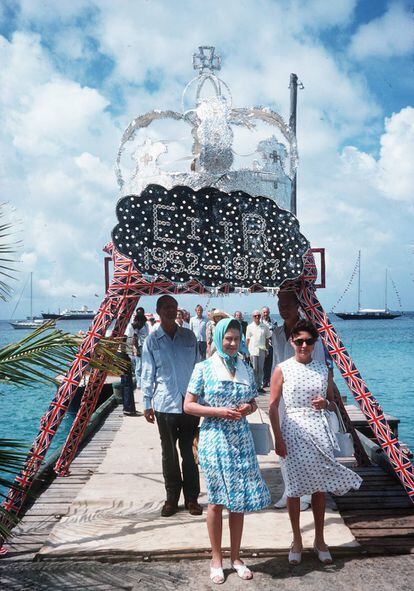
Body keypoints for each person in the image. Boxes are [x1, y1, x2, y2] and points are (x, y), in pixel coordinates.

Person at [184, 318, 271, 584]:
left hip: (241, 439)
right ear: (219, 338)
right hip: (215, 438)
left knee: (239, 500)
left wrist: (248, 409)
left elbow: (253, 402)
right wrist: (218, 411)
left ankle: (235, 557)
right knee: (216, 500)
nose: (233, 343)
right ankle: (216, 558)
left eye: (236, 338)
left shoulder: (245, 366)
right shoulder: (204, 367)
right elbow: (188, 405)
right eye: (228, 338)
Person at [269, 319, 362, 565]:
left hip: (319, 431)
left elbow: (333, 403)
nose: (303, 346)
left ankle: (320, 539)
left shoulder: (324, 369)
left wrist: (326, 404)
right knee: (293, 488)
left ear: (315, 343)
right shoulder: (282, 368)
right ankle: (297, 539)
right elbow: (273, 405)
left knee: (320, 487)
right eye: (299, 341)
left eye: (309, 341)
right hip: (291, 430)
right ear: (291, 341)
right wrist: (277, 437)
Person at [141, 295, 202, 517]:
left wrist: (201, 398)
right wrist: (146, 402)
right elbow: (147, 372)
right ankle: (171, 498)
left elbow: (198, 367)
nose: (170, 311)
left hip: (189, 404)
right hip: (164, 403)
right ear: (158, 311)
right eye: (166, 307)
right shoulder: (152, 340)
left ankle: (192, 498)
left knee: (189, 452)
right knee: (169, 454)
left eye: (173, 307)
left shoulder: (189, 336)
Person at [272, 290, 330, 511]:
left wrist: (322, 396)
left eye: (287, 304)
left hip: (306, 395)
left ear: (297, 305)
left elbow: (319, 363)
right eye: (280, 304)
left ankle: (306, 494)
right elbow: (275, 363)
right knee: (284, 446)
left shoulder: (308, 332)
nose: (283, 308)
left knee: (308, 446)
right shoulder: (277, 333)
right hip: (284, 391)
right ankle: (289, 491)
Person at [246, 310, 271, 392]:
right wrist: (246, 351)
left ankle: (259, 386)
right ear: (252, 317)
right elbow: (247, 340)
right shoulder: (249, 327)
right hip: (252, 350)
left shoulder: (265, 327)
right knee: (254, 369)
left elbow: (267, 339)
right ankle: (254, 386)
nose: (257, 317)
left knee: (261, 368)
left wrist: (267, 350)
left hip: (262, 349)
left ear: (260, 316)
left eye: (258, 316)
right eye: (255, 316)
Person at [124, 309, 149, 388]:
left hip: (140, 347)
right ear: (138, 321)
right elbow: (130, 340)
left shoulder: (138, 327)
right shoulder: (131, 327)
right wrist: (136, 350)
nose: (142, 325)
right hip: (129, 349)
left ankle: (141, 382)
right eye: (142, 323)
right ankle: (138, 384)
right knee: (138, 367)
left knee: (142, 366)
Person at [261, 306, 276, 388]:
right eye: (264, 312)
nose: (265, 314)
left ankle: (269, 380)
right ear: (262, 313)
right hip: (261, 345)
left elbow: (276, 333)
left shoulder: (273, 321)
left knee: (270, 364)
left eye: (266, 312)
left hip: (271, 345)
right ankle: (264, 381)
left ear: (269, 312)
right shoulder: (259, 322)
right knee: (262, 364)